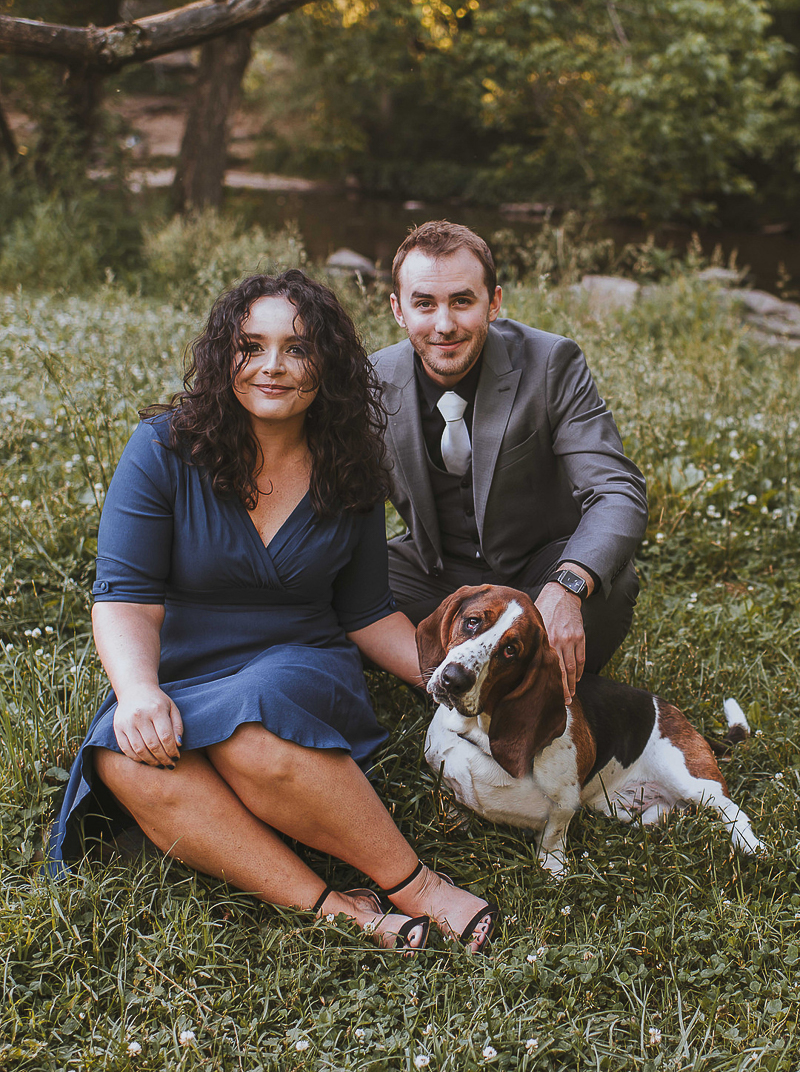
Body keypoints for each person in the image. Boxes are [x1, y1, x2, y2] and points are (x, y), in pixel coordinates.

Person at [49, 270, 496, 954]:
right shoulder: (163, 450)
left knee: (250, 724)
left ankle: (416, 884)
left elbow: (367, 612)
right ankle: (337, 909)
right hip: (185, 668)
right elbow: (124, 599)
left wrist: (457, 681)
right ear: (223, 355)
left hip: (299, 664)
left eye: (297, 348)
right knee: (122, 756)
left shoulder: (349, 464)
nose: (272, 367)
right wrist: (138, 691)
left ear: (329, 363)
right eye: (250, 345)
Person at [371, 221, 648, 703]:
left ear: (493, 302)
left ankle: (523, 688)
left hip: (537, 570)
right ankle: (446, 684)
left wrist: (566, 586)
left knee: (613, 580)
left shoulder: (552, 362)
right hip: (434, 573)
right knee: (340, 575)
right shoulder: (371, 380)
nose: (444, 325)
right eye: (424, 304)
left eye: (462, 301)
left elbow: (616, 491)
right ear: (398, 309)